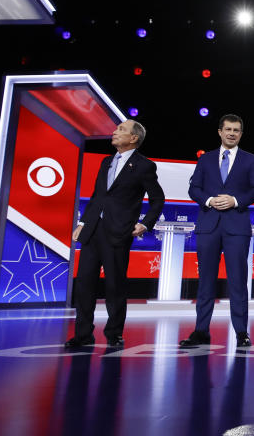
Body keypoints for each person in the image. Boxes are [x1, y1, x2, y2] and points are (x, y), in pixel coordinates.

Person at [65, 120, 165, 348]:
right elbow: (98, 196)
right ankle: (83, 334)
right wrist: (82, 222)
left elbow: (157, 199)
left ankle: (114, 333)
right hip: (92, 231)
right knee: (84, 285)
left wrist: (145, 224)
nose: (114, 132)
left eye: (121, 130)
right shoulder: (106, 161)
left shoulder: (144, 166)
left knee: (115, 286)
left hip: (119, 232)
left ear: (133, 139)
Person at [180, 114, 254, 348]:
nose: (231, 133)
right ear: (219, 131)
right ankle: (201, 330)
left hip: (236, 227)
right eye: (228, 129)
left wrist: (235, 200)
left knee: (238, 281)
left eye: (236, 130)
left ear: (241, 134)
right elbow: (194, 188)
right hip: (208, 226)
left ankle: (241, 332)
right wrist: (208, 200)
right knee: (205, 280)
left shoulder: (251, 160)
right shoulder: (205, 159)